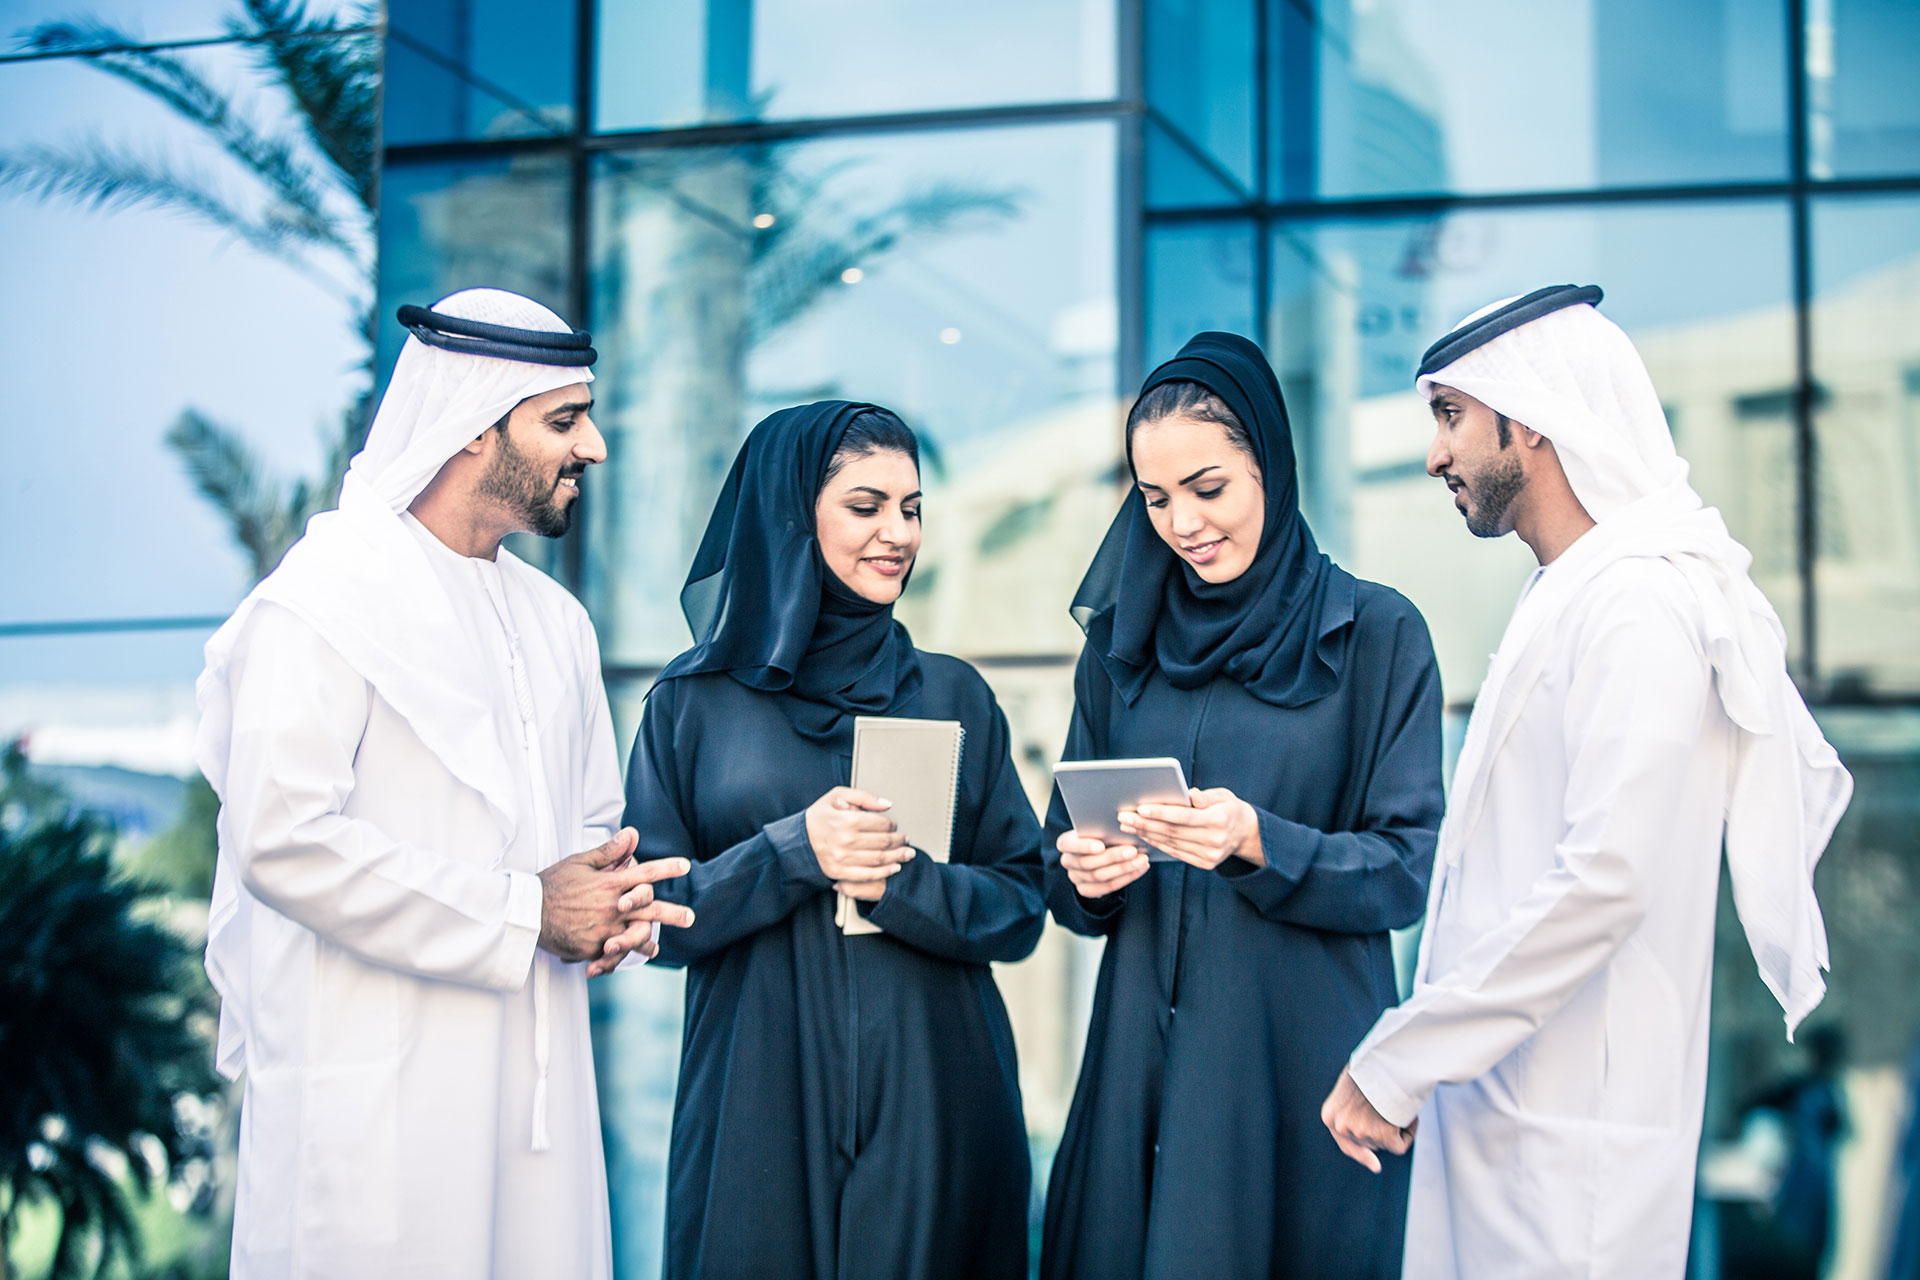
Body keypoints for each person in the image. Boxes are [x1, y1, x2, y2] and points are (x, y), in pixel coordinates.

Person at [1321, 285, 1855, 1278]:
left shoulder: (1639, 604)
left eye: (1450, 416)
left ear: (1528, 420)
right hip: (1508, 1129)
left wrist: (1404, 1052)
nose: (1435, 453)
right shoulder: (1568, 592)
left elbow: (1607, 878)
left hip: (1574, 1156)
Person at [195, 289, 692, 1279]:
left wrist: (613, 906)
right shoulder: (319, 606)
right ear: (473, 429)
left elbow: (588, 835)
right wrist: (524, 912)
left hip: (537, 1111)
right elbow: (281, 839)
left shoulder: (559, 623)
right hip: (376, 1107)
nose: (592, 445)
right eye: (564, 418)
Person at [1040, 332, 1445, 1280]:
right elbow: (1060, 873)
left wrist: (1260, 841)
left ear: (1270, 462)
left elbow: (1407, 869)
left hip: (1298, 1075)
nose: (1182, 521)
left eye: (1208, 487)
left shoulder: (1376, 634)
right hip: (1140, 1069)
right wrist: (1088, 874)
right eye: (1155, 498)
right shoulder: (1120, 649)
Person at [621, 401, 1046, 1279]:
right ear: (791, 515)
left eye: (912, 507)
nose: (898, 532)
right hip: (757, 1111)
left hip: (940, 1102)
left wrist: (902, 881)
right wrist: (790, 852)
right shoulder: (691, 705)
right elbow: (651, 918)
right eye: (866, 506)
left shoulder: (954, 697)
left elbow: (1022, 906)